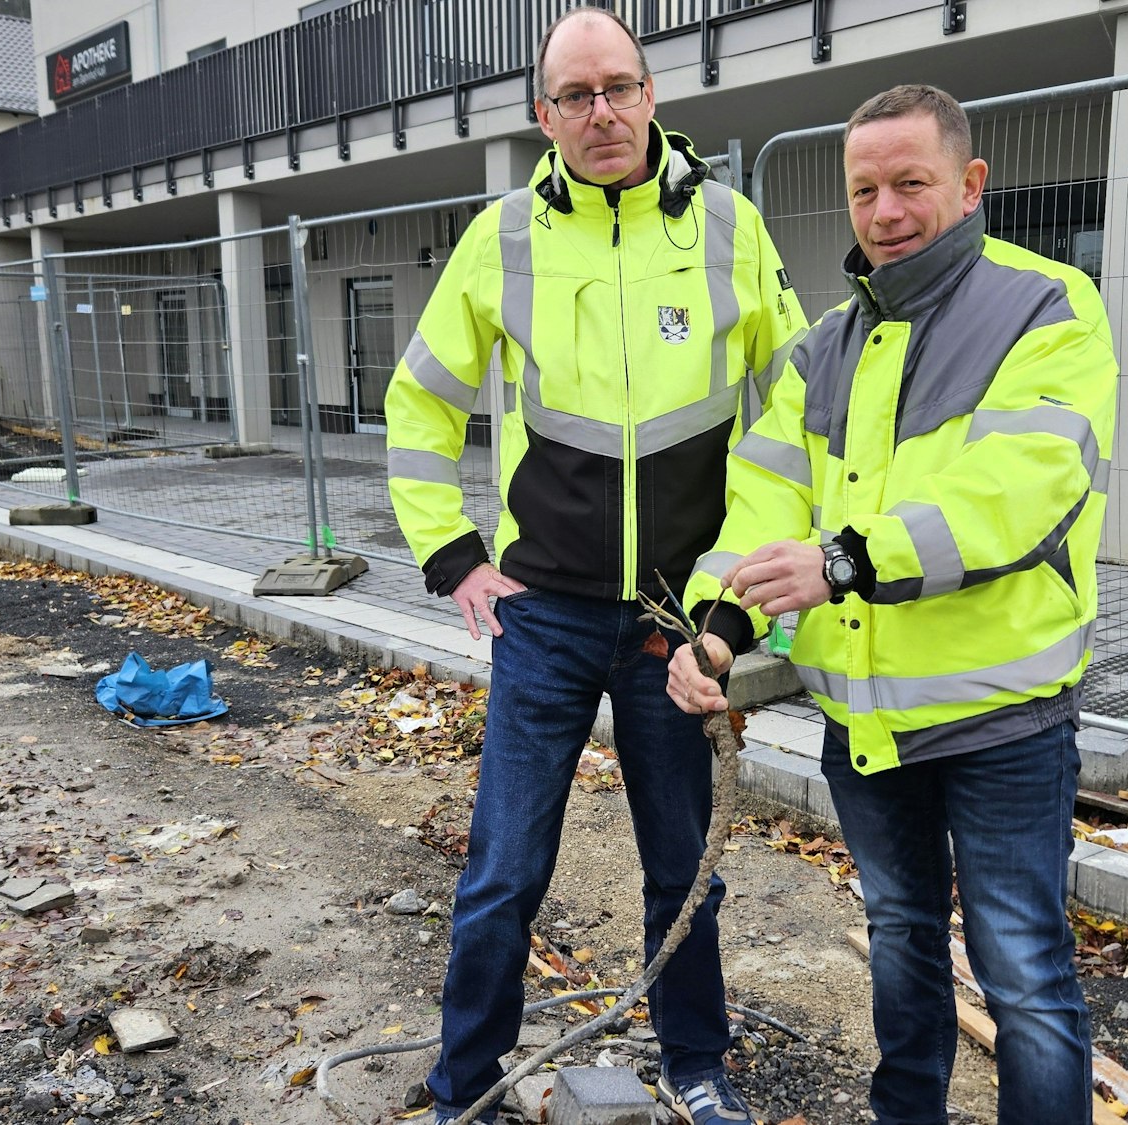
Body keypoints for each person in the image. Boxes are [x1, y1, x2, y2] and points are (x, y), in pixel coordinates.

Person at [383, 8, 808, 1123]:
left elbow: (799, 409)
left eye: (616, 86)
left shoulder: (728, 228)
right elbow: (421, 398)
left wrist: (738, 599)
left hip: (678, 621)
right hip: (546, 618)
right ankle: (461, 1085)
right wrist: (452, 556)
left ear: (652, 93)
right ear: (543, 116)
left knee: (683, 867)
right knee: (503, 874)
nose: (600, 112)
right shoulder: (504, 235)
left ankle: (696, 1065)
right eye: (573, 96)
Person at [667, 83, 1116, 1125]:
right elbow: (761, 500)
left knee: (1025, 981)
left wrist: (845, 560)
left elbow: (1018, 490)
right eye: (864, 189)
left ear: (966, 186)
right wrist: (719, 626)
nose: (885, 210)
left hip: (1001, 721)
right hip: (865, 724)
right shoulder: (823, 347)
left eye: (909, 183)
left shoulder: (1045, 305)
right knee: (900, 945)